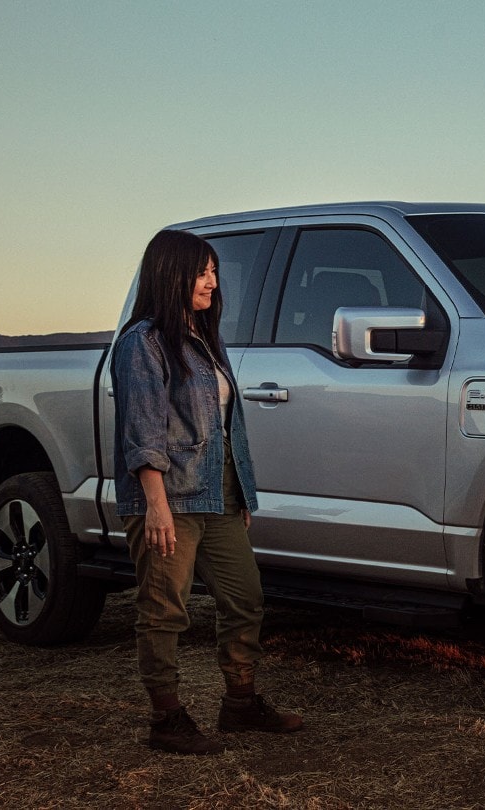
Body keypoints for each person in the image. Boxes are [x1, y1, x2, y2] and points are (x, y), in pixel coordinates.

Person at [112, 229, 303, 755]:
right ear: (172, 274)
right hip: (167, 498)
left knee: (245, 598)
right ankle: (166, 719)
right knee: (163, 609)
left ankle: (240, 705)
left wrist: (237, 493)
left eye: (215, 272)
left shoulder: (202, 337)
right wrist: (155, 506)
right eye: (203, 272)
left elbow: (222, 426)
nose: (213, 283)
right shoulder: (143, 342)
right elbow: (144, 431)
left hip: (217, 494)